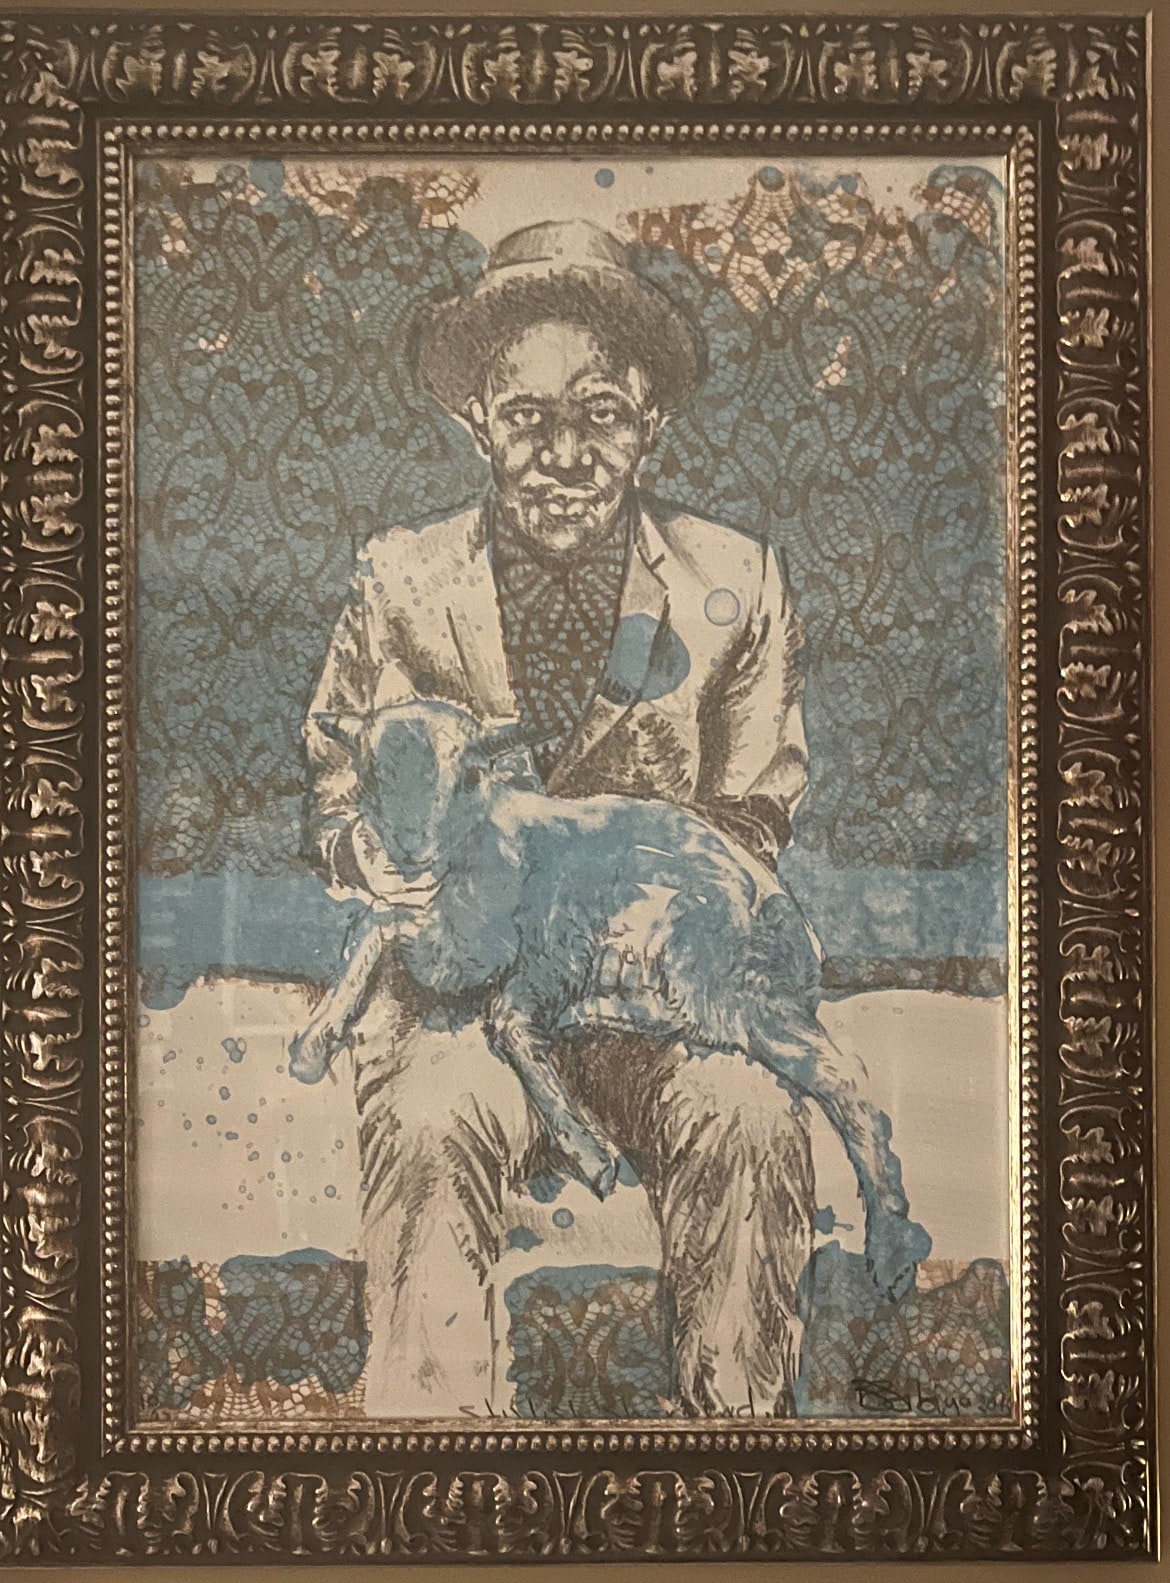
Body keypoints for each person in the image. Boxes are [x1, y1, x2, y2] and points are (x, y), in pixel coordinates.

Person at [303, 219, 815, 1419]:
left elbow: (753, 813)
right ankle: (428, 1474)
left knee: (752, 1114)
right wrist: (371, 850)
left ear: (653, 424)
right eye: (528, 416)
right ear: (477, 420)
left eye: (602, 413)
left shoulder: (736, 582)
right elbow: (334, 784)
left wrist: (651, 931)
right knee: (427, 1120)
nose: (566, 452)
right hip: (463, 997)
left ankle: (746, 1470)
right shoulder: (401, 578)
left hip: (662, 997)